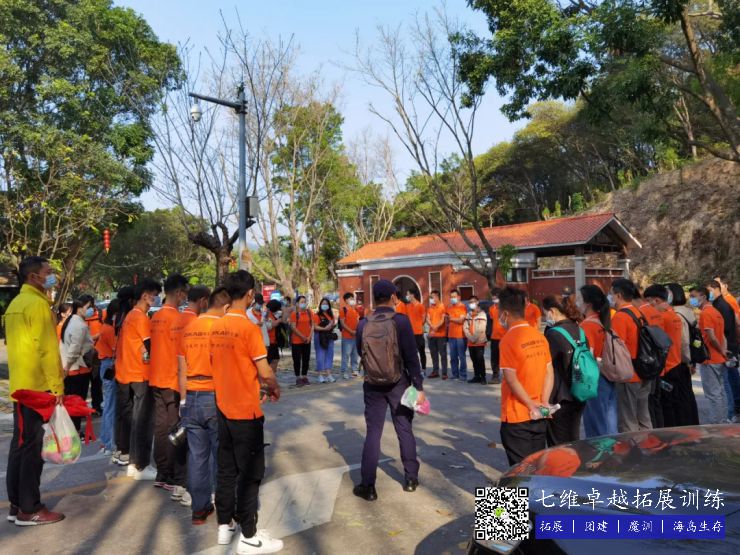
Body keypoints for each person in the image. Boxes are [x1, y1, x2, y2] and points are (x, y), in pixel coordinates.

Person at [210, 270, 283, 554]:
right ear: (251, 294)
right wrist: (273, 387)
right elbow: (265, 372)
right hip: (245, 412)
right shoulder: (249, 329)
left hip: (223, 407)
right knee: (251, 473)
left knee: (226, 470)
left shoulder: (217, 326)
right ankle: (249, 536)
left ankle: (225, 525)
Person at [5, 256, 65, 525]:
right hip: (38, 388)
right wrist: (57, 387)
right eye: (48, 272)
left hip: (21, 386)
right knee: (32, 450)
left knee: (20, 447)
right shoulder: (38, 305)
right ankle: (30, 508)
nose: (52, 276)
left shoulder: (15, 304)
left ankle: (17, 504)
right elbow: (47, 350)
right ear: (33, 277)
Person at [353, 280, 425, 501]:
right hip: (399, 383)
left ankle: (368, 486)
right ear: (393, 297)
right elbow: (412, 357)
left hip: (372, 384)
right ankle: (411, 479)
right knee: (404, 429)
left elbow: (361, 352)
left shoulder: (363, 324)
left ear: (374, 298)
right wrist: (418, 387)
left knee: (373, 433)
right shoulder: (400, 321)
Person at [178, 286, 231, 526]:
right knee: (221, 454)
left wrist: (183, 400)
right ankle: (224, 507)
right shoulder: (221, 328)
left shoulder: (189, 328)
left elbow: (181, 368)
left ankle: (199, 510)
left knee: (197, 456)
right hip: (214, 394)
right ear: (225, 307)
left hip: (191, 395)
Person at [497, 287, 554, 465]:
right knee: (536, 466)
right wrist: (544, 402)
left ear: (505, 313)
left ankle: (512, 485)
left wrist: (530, 405)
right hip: (540, 415)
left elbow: (511, 379)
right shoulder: (539, 336)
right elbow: (549, 371)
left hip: (517, 416)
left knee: (520, 470)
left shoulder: (508, 340)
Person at [115, 278, 161, 480]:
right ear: (145, 295)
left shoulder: (130, 316)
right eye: (154, 295)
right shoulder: (140, 317)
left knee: (135, 420)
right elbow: (151, 346)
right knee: (143, 421)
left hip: (128, 372)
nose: (156, 298)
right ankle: (141, 465)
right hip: (140, 373)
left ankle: (134, 464)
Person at [150, 274, 190, 498]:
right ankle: (172, 476)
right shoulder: (177, 319)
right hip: (171, 380)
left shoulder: (156, 316)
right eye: (185, 293)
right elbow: (181, 354)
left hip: (157, 377)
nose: (185, 297)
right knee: (174, 429)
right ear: (179, 293)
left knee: (161, 426)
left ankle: (162, 473)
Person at [542, 294, 585, 446]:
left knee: (558, 443)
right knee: (573, 438)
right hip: (579, 391)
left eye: (545, 312)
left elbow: (546, 366)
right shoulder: (578, 329)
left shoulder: (553, 334)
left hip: (560, 396)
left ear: (552, 311)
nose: (545, 316)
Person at [610, 278, 652, 432]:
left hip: (628, 374)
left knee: (628, 421)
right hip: (644, 370)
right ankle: (648, 444)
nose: (610, 297)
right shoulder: (638, 312)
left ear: (618, 295)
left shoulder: (620, 317)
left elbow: (616, 348)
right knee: (643, 418)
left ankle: (632, 447)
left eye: (611, 294)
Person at [579, 285, 618, 437]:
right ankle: (612, 450)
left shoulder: (587, 326)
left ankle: (600, 452)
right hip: (606, 375)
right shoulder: (602, 322)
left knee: (596, 425)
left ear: (588, 304)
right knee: (609, 421)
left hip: (594, 379)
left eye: (579, 298)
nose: (576, 302)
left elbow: (587, 357)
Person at [643, 284, 683, 429]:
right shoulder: (673, 315)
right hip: (676, 362)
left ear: (655, 300)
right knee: (671, 403)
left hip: (666, 365)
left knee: (663, 405)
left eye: (648, 301)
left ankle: (667, 433)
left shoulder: (662, 316)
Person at [690, 286, 728, 424]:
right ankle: (723, 421)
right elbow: (722, 336)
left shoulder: (706, 313)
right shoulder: (716, 312)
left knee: (713, 394)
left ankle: (716, 423)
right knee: (720, 392)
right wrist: (723, 351)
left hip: (709, 358)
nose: (691, 299)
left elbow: (711, 337)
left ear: (703, 297)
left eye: (693, 296)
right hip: (718, 358)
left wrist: (721, 350)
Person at [665, 283, 700, 425]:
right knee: (687, 394)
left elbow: (683, 341)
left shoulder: (676, 314)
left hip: (679, 361)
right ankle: (692, 424)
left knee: (680, 398)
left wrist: (687, 360)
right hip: (687, 359)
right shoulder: (688, 311)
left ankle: (685, 426)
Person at [60, 297, 95, 432]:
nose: (91, 310)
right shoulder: (79, 325)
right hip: (77, 369)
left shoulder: (71, 321)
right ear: (80, 309)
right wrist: (67, 366)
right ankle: (74, 431)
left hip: (72, 368)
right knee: (76, 404)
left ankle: (71, 431)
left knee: (71, 403)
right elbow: (74, 348)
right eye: (88, 307)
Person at [707, 280, 740, 422]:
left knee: (726, 383)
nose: (707, 293)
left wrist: (725, 348)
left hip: (726, 348)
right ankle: (733, 410)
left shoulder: (723, 305)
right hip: (727, 347)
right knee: (728, 380)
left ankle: (731, 412)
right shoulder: (719, 304)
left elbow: (724, 330)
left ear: (716, 289)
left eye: (709, 290)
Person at [97, 299, 119, 455]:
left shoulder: (106, 326)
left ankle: (107, 442)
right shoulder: (109, 329)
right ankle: (108, 442)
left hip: (106, 365)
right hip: (110, 365)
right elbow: (116, 349)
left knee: (109, 406)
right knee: (110, 406)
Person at [81, 295, 103, 416]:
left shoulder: (101, 315)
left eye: (89, 306)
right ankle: (81, 409)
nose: (87, 308)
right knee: (82, 385)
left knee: (96, 383)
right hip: (83, 355)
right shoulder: (78, 318)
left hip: (97, 356)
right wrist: (93, 337)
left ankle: (96, 407)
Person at [289, 295, 313, 387]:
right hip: (296, 341)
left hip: (307, 340)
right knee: (297, 360)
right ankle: (298, 377)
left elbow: (312, 325)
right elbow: (293, 327)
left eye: (305, 301)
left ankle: (304, 376)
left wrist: (309, 336)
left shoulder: (309, 312)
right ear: (297, 304)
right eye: (302, 302)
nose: (304, 303)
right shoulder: (294, 314)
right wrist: (302, 336)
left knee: (306, 359)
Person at [464, 296, 488, 384]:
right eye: (470, 302)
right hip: (470, 342)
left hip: (479, 341)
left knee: (480, 359)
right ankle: (476, 376)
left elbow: (481, 328)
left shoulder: (482, 314)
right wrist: (470, 337)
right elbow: (465, 327)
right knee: (474, 359)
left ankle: (483, 377)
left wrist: (474, 338)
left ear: (477, 302)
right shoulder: (468, 314)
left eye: (473, 302)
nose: (471, 304)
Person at [314, 297, 338, 383]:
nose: (325, 305)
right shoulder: (317, 315)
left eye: (326, 304)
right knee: (320, 355)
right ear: (320, 305)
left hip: (329, 336)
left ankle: (328, 374)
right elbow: (315, 326)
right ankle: (320, 375)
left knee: (329, 355)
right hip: (319, 336)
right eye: (323, 303)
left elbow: (333, 325)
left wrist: (332, 326)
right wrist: (324, 328)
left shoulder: (331, 315)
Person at [446, 289, 468, 381]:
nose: (452, 298)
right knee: (453, 357)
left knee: (461, 356)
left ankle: (463, 375)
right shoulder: (449, 307)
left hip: (460, 336)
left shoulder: (462, 307)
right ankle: (455, 374)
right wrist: (448, 319)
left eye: (454, 296)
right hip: (451, 335)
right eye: (451, 297)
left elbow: (461, 320)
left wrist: (451, 319)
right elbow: (447, 320)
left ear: (459, 297)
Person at [426, 290, 447, 379]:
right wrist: (432, 326)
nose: (431, 299)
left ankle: (444, 373)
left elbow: (443, 319)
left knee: (443, 355)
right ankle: (435, 371)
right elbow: (427, 318)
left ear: (437, 296)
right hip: (432, 335)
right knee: (433, 354)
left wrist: (436, 327)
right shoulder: (430, 308)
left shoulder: (443, 307)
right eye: (430, 297)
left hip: (441, 335)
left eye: (432, 297)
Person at [405, 290, 427, 374]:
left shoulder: (420, 306)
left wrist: (418, 325)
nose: (407, 296)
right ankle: (414, 369)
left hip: (419, 333)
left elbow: (423, 319)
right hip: (410, 334)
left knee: (421, 352)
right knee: (412, 353)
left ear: (412, 295)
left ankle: (423, 369)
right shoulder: (407, 306)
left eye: (408, 294)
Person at [339, 292, 360, 379]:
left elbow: (358, 321)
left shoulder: (355, 310)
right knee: (346, 355)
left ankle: (355, 370)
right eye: (351, 299)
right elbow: (342, 323)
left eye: (353, 299)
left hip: (355, 336)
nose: (353, 300)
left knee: (355, 355)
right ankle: (344, 371)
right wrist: (351, 331)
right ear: (346, 300)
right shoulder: (343, 310)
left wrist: (357, 331)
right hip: (347, 336)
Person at [488, 288, 505, 384]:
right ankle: (495, 376)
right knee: (494, 358)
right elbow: (491, 322)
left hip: (505, 337)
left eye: (496, 296)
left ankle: (507, 376)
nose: (494, 298)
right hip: (494, 337)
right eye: (493, 296)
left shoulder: (506, 308)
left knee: (506, 357)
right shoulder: (491, 308)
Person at [265, 300, 283, 374]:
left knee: (275, 359)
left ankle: (272, 374)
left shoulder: (273, 315)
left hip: (274, 341)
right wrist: (279, 320)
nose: (279, 310)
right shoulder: (267, 315)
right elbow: (271, 325)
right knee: (269, 361)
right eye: (278, 308)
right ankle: (269, 375)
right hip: (269, 342)